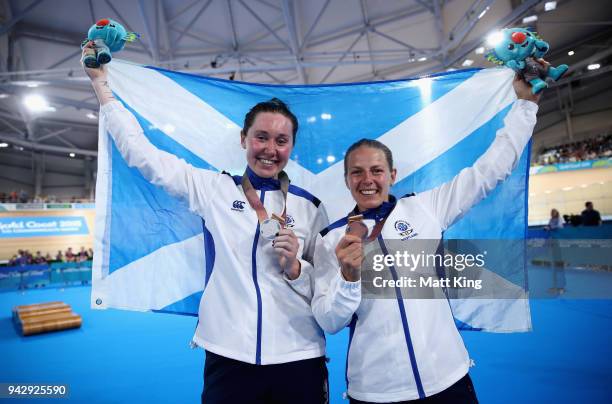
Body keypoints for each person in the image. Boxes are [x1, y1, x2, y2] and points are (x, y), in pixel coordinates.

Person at [81, 43, 329, 404]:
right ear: (244, 140)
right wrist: (102, 85)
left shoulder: (310, 207)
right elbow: (142, 155)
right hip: (229, 355)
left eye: (281, 140)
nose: (269, 148)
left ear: (291, 147)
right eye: (261, 137)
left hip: (299, 356)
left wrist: (295, 268)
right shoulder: (212, 188)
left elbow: (324, 286)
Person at [312, 75, 541, 403]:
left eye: (377, 170)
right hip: (376, 390)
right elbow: (328, 320)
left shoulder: (426, 208)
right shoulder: (331, 239)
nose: (368, 180)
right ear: (346, 179)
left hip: (448, 378)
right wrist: (348, 280)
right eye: (357, 172)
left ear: (393, 175)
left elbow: (489, 171)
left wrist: (526, 106)